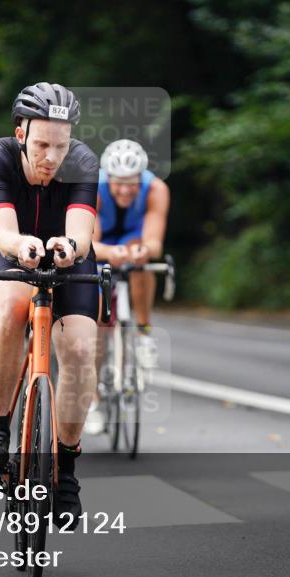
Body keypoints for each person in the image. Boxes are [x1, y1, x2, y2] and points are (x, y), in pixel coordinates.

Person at [0, 82, 99, 526]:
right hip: (10, 242)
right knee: (12, 303)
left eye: (60, 145)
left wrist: (69, 246)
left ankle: (65, 467)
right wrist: (21, 244)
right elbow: (4, 231)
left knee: (82, 348)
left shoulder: (82, 160)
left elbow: (81, 231)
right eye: (42, 144)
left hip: (65, 248)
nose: (51, 157)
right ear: (21, 132)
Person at [86, 139, 170, 435]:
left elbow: (154, 242)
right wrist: (112, 254)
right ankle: (93, 398)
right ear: (108, 177)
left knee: (142, 266)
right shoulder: (92, 188)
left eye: (132, 183)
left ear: (141, 178)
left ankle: (144, 333)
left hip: (133, 241)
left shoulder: (156, 189)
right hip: (101, 244)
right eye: (118, 183)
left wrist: (140, 252)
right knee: (96, 323)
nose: (125, 190)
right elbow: (87, 244)